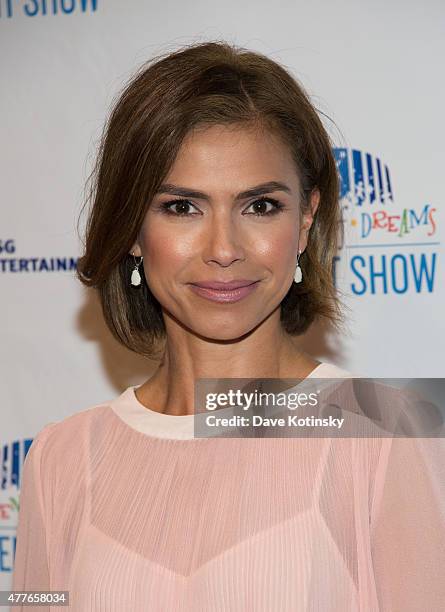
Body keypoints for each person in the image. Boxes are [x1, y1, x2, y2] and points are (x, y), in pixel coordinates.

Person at [12, 40, 445, 611]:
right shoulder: (60, 459)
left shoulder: (385, 437)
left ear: (306, 216)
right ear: (133, 230)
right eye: (182, 207)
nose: (223, 249)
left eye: (260, 206)